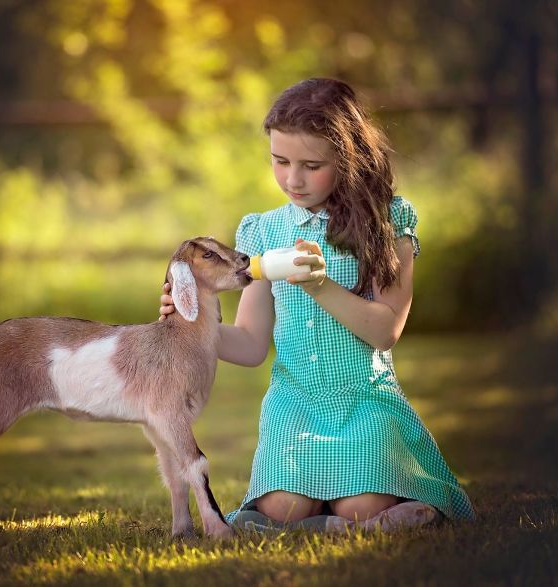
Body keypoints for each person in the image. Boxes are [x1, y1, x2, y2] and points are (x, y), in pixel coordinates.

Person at [159, 78, 475, 533]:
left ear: (348, 160)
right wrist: (193, 317)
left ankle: (356, 519)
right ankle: (342, 524)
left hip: (363, 401)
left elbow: (385, 330)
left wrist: (319, 285)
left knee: (358, 505)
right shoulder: (263, 232)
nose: (293, 179)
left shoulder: (388, 222)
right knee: (281, 509)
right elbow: (249, 345)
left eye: (311, 165)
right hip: (294, 405)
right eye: (280, 161)